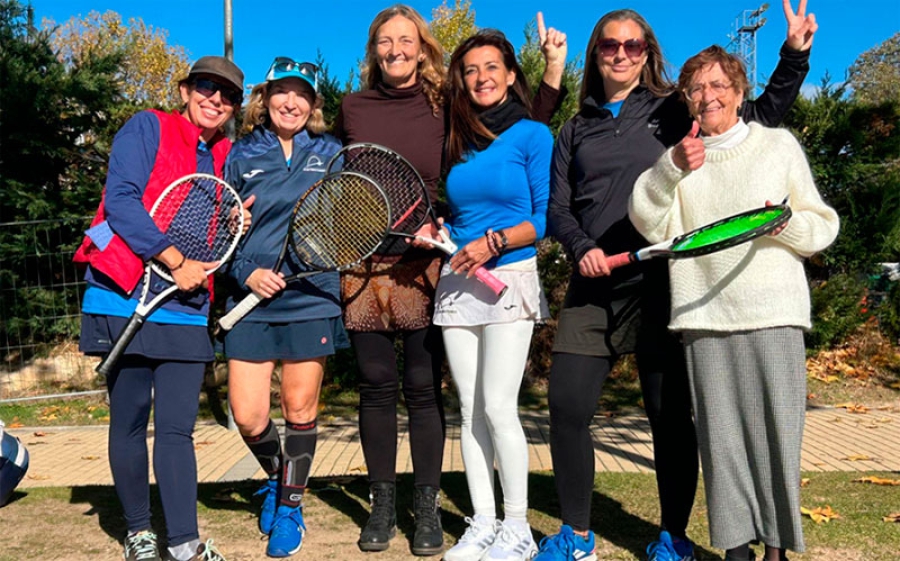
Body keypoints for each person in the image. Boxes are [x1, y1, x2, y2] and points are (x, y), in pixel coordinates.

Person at [538, 2, 818, 560]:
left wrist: (793, 57)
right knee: (567, 407)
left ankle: (673, 535)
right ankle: (577, 534)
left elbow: (751, 120)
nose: (621, 54)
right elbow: (559, 208)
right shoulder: (576, 125)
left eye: (633, 46)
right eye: (610, 46)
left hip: (665, 283)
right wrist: (582, 248)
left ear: (647, 54)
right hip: (596, 283)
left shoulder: (672, 109)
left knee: (669, 415)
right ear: (596, 54)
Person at [334, 4, 566, 556]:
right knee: (455, 403)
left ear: (423, 47)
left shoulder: (446, 108)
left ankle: (503, 525)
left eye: (406, 38)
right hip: (396, 267)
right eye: (385, 40)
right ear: (374, 50)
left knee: (473, 401)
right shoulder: (357, 107)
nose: (396, 48)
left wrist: (553, 72)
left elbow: (518, 127)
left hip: (467, 271)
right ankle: (465, 518)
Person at [629, 45, 839, 561]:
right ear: (686, 98)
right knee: (721, 447)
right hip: (704, 318)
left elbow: (822, 226)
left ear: (740, 92)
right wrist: (670, 169)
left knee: (776, 439)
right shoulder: (680, 157)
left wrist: (785, 222)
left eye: (720, 85)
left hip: (774, 315)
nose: (709, 96)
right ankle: (735, 548)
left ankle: (776, 547)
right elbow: (647, 220)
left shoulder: (777, 146)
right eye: (697, 87)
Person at [74, 56, 246, 561]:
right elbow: (121, 200)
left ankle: (184, 543)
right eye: (206, 87)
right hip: (123, 293)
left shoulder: (227, 156)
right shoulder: (146, 127)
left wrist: (235, 218)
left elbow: (218, 226)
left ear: (235, 107)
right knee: (129, 420)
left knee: (177, 429)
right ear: (185, 89)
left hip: (186, 307)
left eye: (227, 95)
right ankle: (139, 533)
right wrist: (173, 259)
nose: (215, 99)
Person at [432, 30, 552, 561]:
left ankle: (518, 529)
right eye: (472, 70)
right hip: (459, 279)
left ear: (509, 75)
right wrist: (442, 231)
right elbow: (453, 211)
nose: (481, 77)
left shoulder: (532, 135)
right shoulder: (456, 140)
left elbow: (541, 220)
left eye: (491, 67)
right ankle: (482, 524)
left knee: (501, 406)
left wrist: (494, 242)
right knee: (469, 407)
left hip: (510, 276)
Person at [222, 57, 348, 558]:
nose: (290, 102)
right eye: (281, 92)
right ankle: (280, 479)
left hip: (310, 296)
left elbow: (347, 220)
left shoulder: (331, 153)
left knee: (300, 409)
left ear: (314, 104)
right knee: (249, 415)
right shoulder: (239, 154)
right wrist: (245, 270)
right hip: (249, 297)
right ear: (265, 97)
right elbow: (220, 230)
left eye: (302, 94)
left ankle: (291, 507)